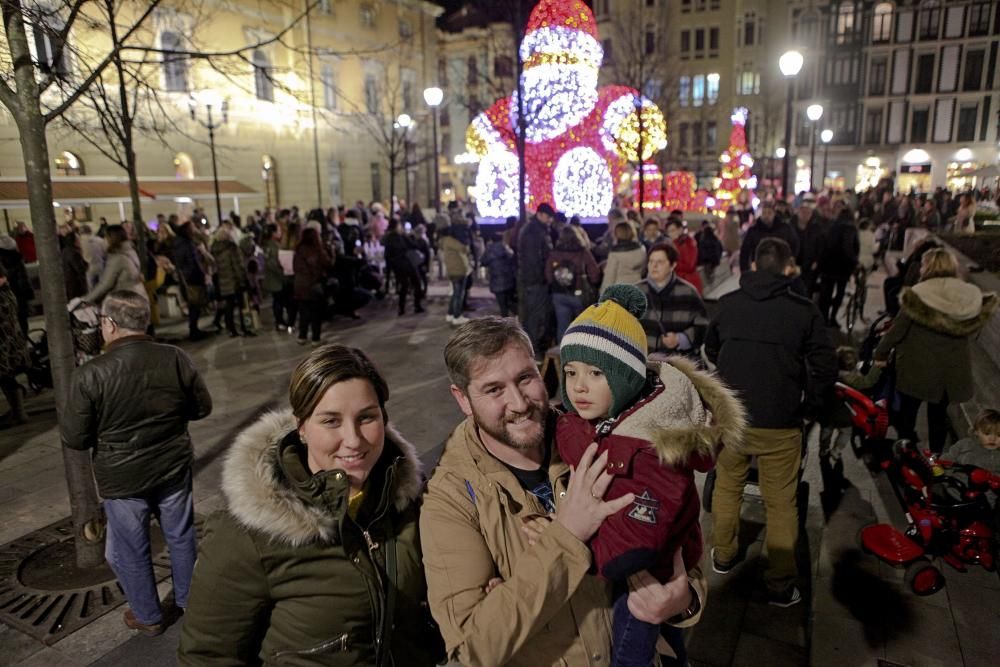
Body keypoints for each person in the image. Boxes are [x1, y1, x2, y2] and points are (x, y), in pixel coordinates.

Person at [421, 317, 706, 666]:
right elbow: (472, 650)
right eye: (494, 390)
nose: (519, 403)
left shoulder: (600, 431)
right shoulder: (451, 500)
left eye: (525, 378)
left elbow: (676, 533)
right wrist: (566, 536)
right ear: (463, 399)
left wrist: (684, 601)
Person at [178, 345, 443, 666]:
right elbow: (207, 656)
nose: (353, 439)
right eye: (331, 421)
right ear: (301, 427)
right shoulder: (247, 535)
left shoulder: (408, 498)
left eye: (366, 417)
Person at [557, 285, 745, 667]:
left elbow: (632, 547)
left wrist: (565, 546)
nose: (578, 386)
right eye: (570, 372)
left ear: (626, 378)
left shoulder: (647, 446)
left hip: (644, 579)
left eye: (596, 372)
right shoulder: (609, 418)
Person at [61, 291, 211, 635]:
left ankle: (148, 615)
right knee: (181, 535)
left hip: (123, 477)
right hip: (172, 465)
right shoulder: (175, 358)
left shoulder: (91, 373)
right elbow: (202, 408)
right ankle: (190, 600)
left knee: (130, 548)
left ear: (110, 324)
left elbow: (75, 437)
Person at [705, 238, 837, 606]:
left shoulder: (728, 304)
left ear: (752, 265)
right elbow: (825, 366)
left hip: (733, 418)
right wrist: (810, 405)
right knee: (780, 502)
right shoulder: (803, 311)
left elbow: (712, 348)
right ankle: (780, 582)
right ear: (788, 267)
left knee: (727, 486)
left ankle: (723, 554)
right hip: (781, 420)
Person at [874, 248, 998, 454]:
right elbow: (973, 331)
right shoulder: (968, 295)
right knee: (938, 416)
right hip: (950, 372)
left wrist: (881, 354)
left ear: (929, 267)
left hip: (917, 367)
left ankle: (907, 452)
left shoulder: (919, 293)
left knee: (908, 412)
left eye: (923, 264)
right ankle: (936, 458)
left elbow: (897, 331)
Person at [636, 242, 707, 362]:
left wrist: (680, 339)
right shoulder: (635, 292)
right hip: (642, 361)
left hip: (677, 363)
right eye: (651, 261)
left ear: (673, 265)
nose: (654, 266)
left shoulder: (688, 292)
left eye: (660, 262)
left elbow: (703, 325)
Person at [545, 226, 601, 343]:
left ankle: (563, 351)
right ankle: (581, 350)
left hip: (559, 294)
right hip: (579, 294)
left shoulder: (554, 253)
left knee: (562, 326)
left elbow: (548, 274)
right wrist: (593, 283)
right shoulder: (583, 252)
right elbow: (594, 273)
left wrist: (554, 284)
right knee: (582, 326)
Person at [816, 203, 860, 327]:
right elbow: (849, 248)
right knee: (839, 292)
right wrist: (854, 261)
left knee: (826, 293)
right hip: (842, 267)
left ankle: (823, 317)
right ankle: (833, 317)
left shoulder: (831, 225)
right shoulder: (850, 228)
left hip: (827, 265)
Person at [84, 225, 147, 305]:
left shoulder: (117, 258)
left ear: (111, 239)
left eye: (105, 237)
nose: (103, 240)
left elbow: (105, 284)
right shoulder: (130, 250)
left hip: (125, 300)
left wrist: (85, 300)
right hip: (137, 294)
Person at [0, 263, 30, 428]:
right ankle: (18, 412)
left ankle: (19, 413)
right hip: (9, 342)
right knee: (6, 376)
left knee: (6, 376)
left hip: (4, 344)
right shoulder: (6, 291)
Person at [293, 227, 334, 345]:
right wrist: (332, 252)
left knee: (304, 312)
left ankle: (302, 336)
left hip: (299, 285)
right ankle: (315, 338)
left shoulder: (299, 250)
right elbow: (328, 263)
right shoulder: (317, 250)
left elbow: (295, 267)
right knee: (316, 313)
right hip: (313, 285)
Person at [210, 227, 252, 338]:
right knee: (242, 305)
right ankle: (245, 327)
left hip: (224, 282)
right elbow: (237, 265)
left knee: (229, 306)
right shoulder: (231, 248)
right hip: (235, 281)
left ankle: (231, 330)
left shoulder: (215, 250)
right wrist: (243, 279)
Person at [739, 201, 799, 273]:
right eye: (764, 213)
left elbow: (794, 244)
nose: (766, 216)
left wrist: (790, 261)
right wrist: (745, 270)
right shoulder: (753, 231)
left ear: (774, 214)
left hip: (780, 268)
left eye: (769, 213)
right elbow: (745, 251)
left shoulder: (785, 228)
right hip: (759, 269)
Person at [382, 218, 425, 316]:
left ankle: (405, 308)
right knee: (411, 284)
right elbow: (413, 245)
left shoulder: (395, 237)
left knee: (407, 285)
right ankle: (413, 306)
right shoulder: (396, 238)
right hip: (403, 264)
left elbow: (413, 245)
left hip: (402, 265)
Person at [946, 409, 1000, 474]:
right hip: (954, 477)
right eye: (987, 433)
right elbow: (949, 457)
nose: (993, 439)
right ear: (976, 432)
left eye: (999, 435)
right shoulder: (965, 444)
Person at [0, 233, 34, 334]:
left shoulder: (2, 261)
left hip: (8, 295)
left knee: (11, 324)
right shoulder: (17, 258)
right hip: (20, 294)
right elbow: (24, 279)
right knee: (22, 320)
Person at [600, 221, 645, 294]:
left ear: (616, 234)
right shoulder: (642, 249)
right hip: (638, 288)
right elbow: (644, 270)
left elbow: (609, 278)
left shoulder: (615, 254)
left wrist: (603, 295)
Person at [440, 226, 472, 326]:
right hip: (458, 270)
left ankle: (450, 314)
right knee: (459, 295)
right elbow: (464, 249)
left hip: (452, 270)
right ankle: (457, 316)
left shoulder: (446, 241)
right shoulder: (452, 241)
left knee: (455, 294)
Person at [480, 235, 517, 318]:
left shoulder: (489, 250)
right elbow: (513, 259)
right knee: (510, 301)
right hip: (509, 279)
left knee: (502, 304)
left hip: (496, 280)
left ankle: (505, 318)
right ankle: (515, 317)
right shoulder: (506, 248)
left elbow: (483, 262)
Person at [665, 219, 702, 294]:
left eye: (673, 230)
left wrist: (670, 264)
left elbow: (689, 265)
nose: (670, 234)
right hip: (679, 282)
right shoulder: (672, 244)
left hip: (688, 282)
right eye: (668, 232)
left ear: (680, 230)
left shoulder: (687, 243)